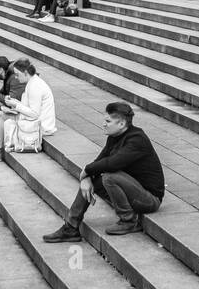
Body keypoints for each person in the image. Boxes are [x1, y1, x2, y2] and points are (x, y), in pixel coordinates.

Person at [43, 101, 164, 239]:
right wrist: (87, 178)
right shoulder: (114, 137)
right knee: (97, 178)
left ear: (122, 124)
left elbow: (113, 163)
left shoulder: (137, 139)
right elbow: (100, 161)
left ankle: (129, 221)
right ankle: (71, 227)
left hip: (149, 199)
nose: (104, 124)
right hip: (131, 193)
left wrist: (87, 170)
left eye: (108, 121)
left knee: (109, 177)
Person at [0, 59, 57, 162]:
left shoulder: (35, 86)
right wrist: (14, 102)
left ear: (25, 73)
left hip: (41, 126)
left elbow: (34, 114)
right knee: (0, 113)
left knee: (0, 115)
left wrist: (15, 105)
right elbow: (29, 108)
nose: (16, 77)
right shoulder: (32, 82)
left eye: (17, 74)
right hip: (34, 121)